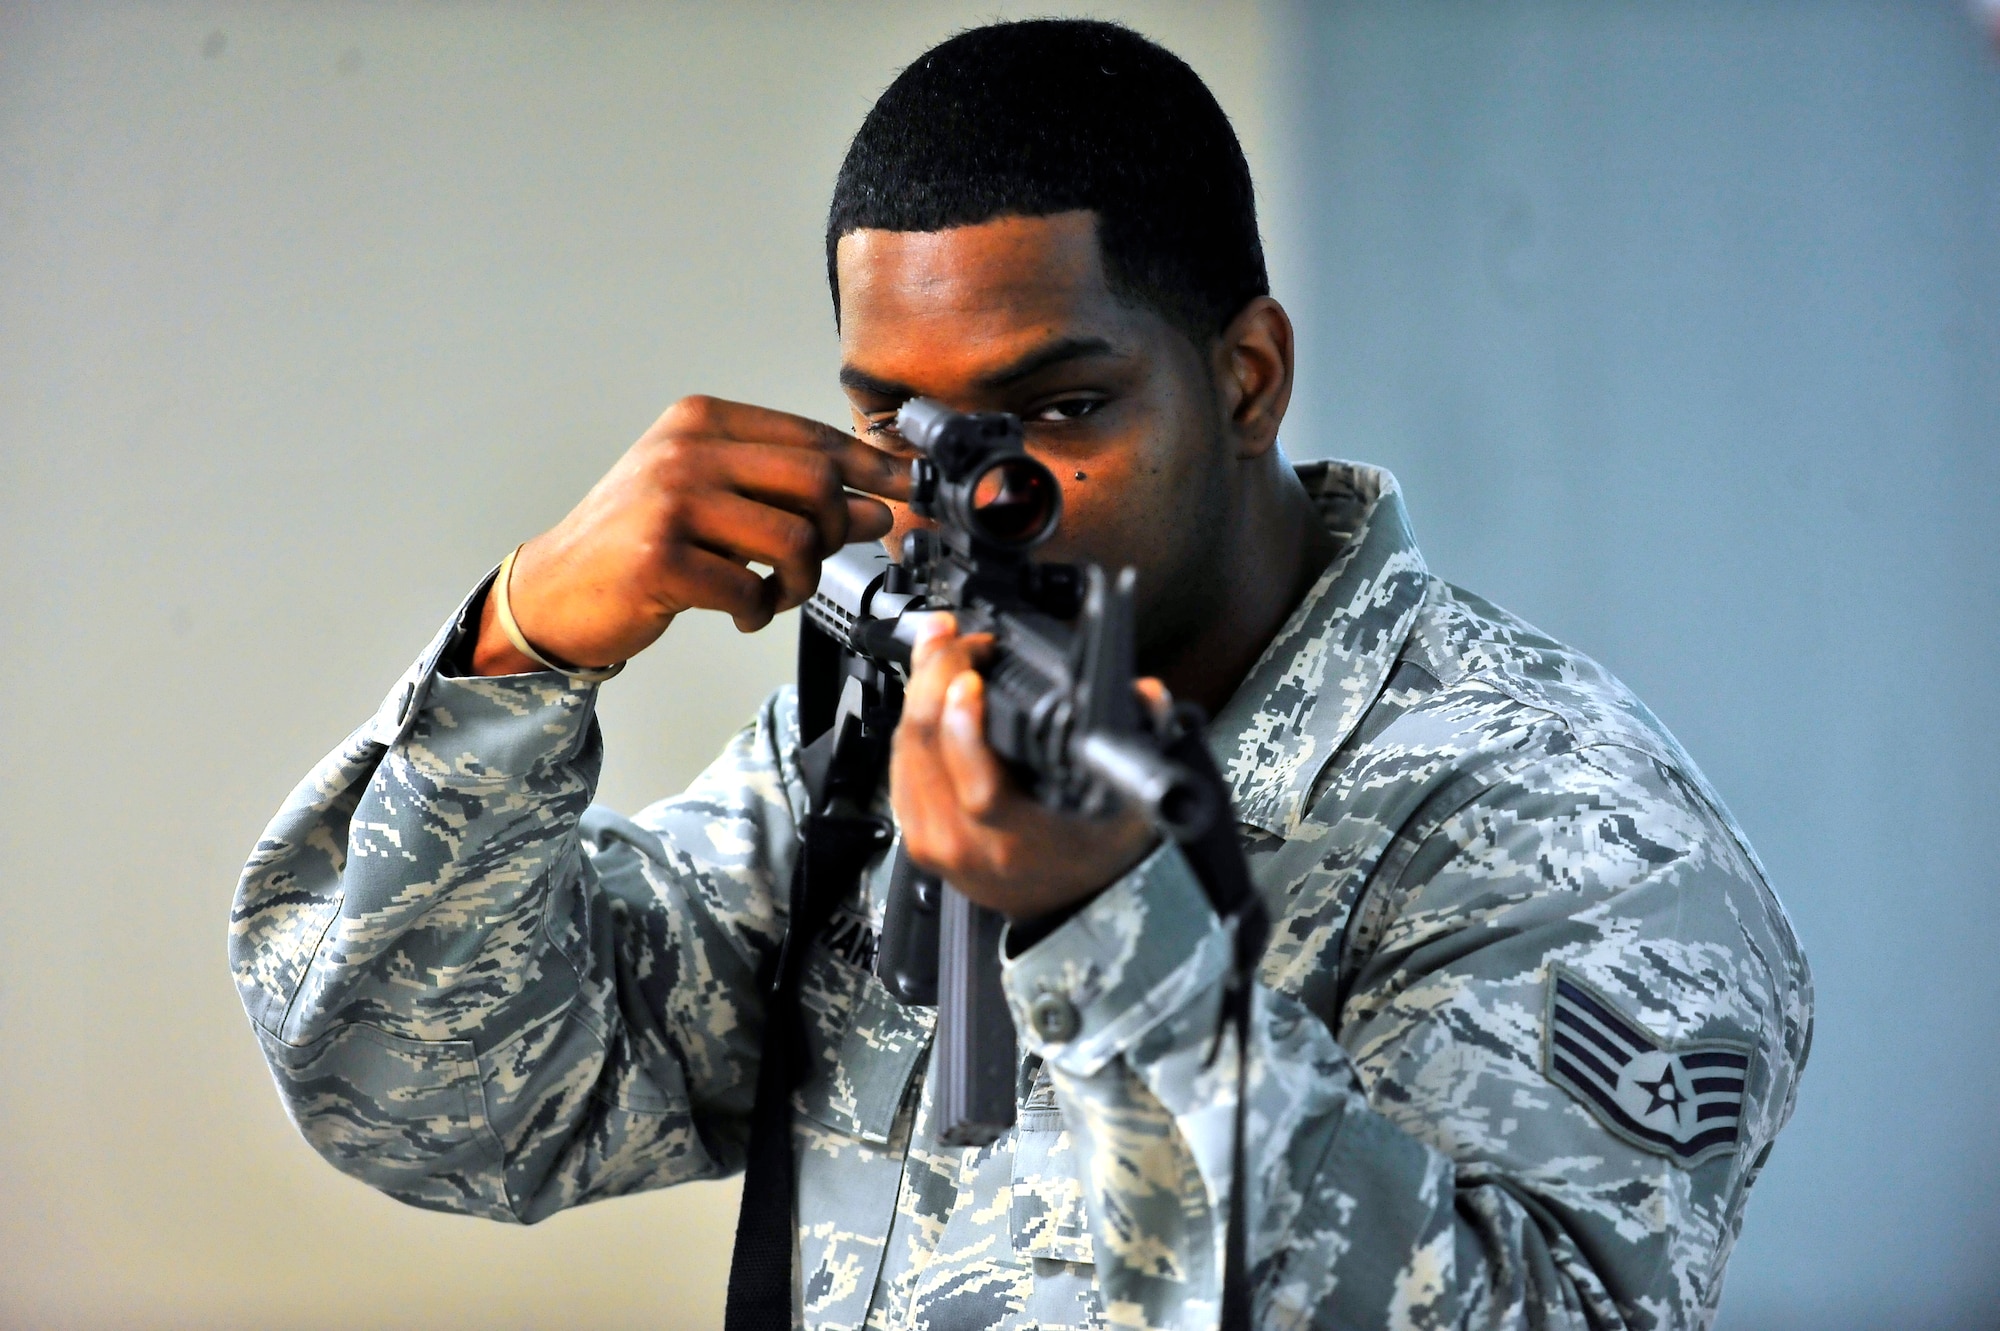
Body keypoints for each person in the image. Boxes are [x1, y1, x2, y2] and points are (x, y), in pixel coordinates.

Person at [230, 19, 1811, 1331]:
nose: (977, 502)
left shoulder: (1566, 825)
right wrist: (519, 651)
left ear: (1245, 378)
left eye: (1058, 411)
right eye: (906, 429)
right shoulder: (889, 729)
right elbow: (429, 1095)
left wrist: (1121, 940)